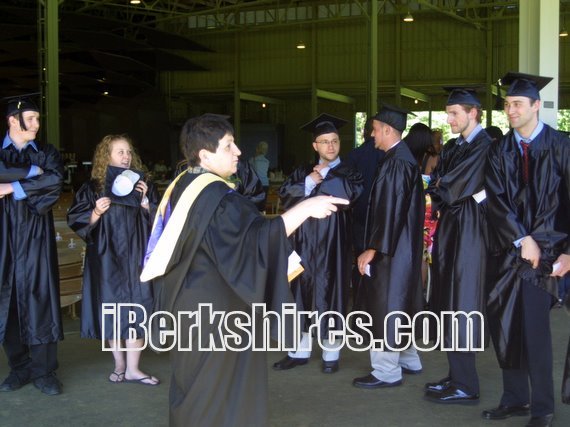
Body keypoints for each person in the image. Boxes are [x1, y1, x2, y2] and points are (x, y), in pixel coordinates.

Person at [139, 113, 348, 426]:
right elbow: (256, 242)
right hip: (218, 313)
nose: (238, 151)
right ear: (205, 155)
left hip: (191, 304)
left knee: (195, 386)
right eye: (228, 146)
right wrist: (305, 209)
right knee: (216, 392)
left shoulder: (183, 185)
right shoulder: (217, 198)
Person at [483, 72, 570, 427]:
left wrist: (568, 252)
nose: (510, 110)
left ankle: (542, 408)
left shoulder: (562, 145)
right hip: (509, 251)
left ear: (536, 105)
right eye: (507, 105)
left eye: (517, 104)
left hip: (548, 254)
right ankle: (515, 399)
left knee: (535, 331)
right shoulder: (499, 149)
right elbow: (496, 200)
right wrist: (522, 239)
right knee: (506, 325)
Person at [67, 134, 160, 386]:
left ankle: (133, 368)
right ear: (106, 156)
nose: (126, 156)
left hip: (136, 254)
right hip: (106, 256)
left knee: (138, 307)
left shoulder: (143, 186)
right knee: (112, 309)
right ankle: (119, 364)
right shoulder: (93, 188)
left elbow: (160, 220)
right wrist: (96, 212)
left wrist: (146, 204)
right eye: (120, 152)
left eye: (128, 152)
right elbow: (77, 220)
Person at [274, 113, 363, 374]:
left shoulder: (349, 171)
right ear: (315, 145)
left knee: (331, 292)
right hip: (302, 243)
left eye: (334, 141)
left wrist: (325, 176)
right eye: (324, 142)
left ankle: (330, 354)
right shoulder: (303, 171)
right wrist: (309, 181)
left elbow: (351, 195)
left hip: (334, 244)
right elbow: (285, 195)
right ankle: (298, 351)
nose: (331, 146)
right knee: (298, 293)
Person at [423, 88, 493, 404]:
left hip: (471, 231)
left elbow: (450, 187)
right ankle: (455, 376)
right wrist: (439, 186)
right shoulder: (455, 146)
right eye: (448, 113)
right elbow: (438, 182)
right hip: (452, 228)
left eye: (454, 113)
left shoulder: (484, 146)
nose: (449, 119)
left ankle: (467, 384)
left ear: (473, 113)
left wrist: (440, 186)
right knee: (449, 299)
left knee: (464, 301)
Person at [352, 103, 424, 389]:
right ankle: (409, 359)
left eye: (374, 129)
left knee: (385, 303)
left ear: (387, 130)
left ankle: (386, 371)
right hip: (403, 245)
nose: (371, 135)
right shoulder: (403, 158)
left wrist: (373, 247)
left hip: (390, 248)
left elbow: (389, 211)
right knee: (401, 299)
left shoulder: (396, 162)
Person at [0, 96, 64, 395]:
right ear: (13, 120)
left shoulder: (46, 152)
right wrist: (31, 174)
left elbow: (55, 181)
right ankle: (20, 367)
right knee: (7, 300)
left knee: (41, 299)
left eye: (37, 118)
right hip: (4, 239)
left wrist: (10, 186)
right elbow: (42, 178)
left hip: (36, 238)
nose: (37, 124)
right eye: (31, 119)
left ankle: (44, 371)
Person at [249, 141, 270, 211]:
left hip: (257, 184)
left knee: (255, 205)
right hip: (266, 184)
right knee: (263, 204)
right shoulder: (267, 161)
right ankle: (263, 215)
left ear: (257, 149)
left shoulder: (252, 160)